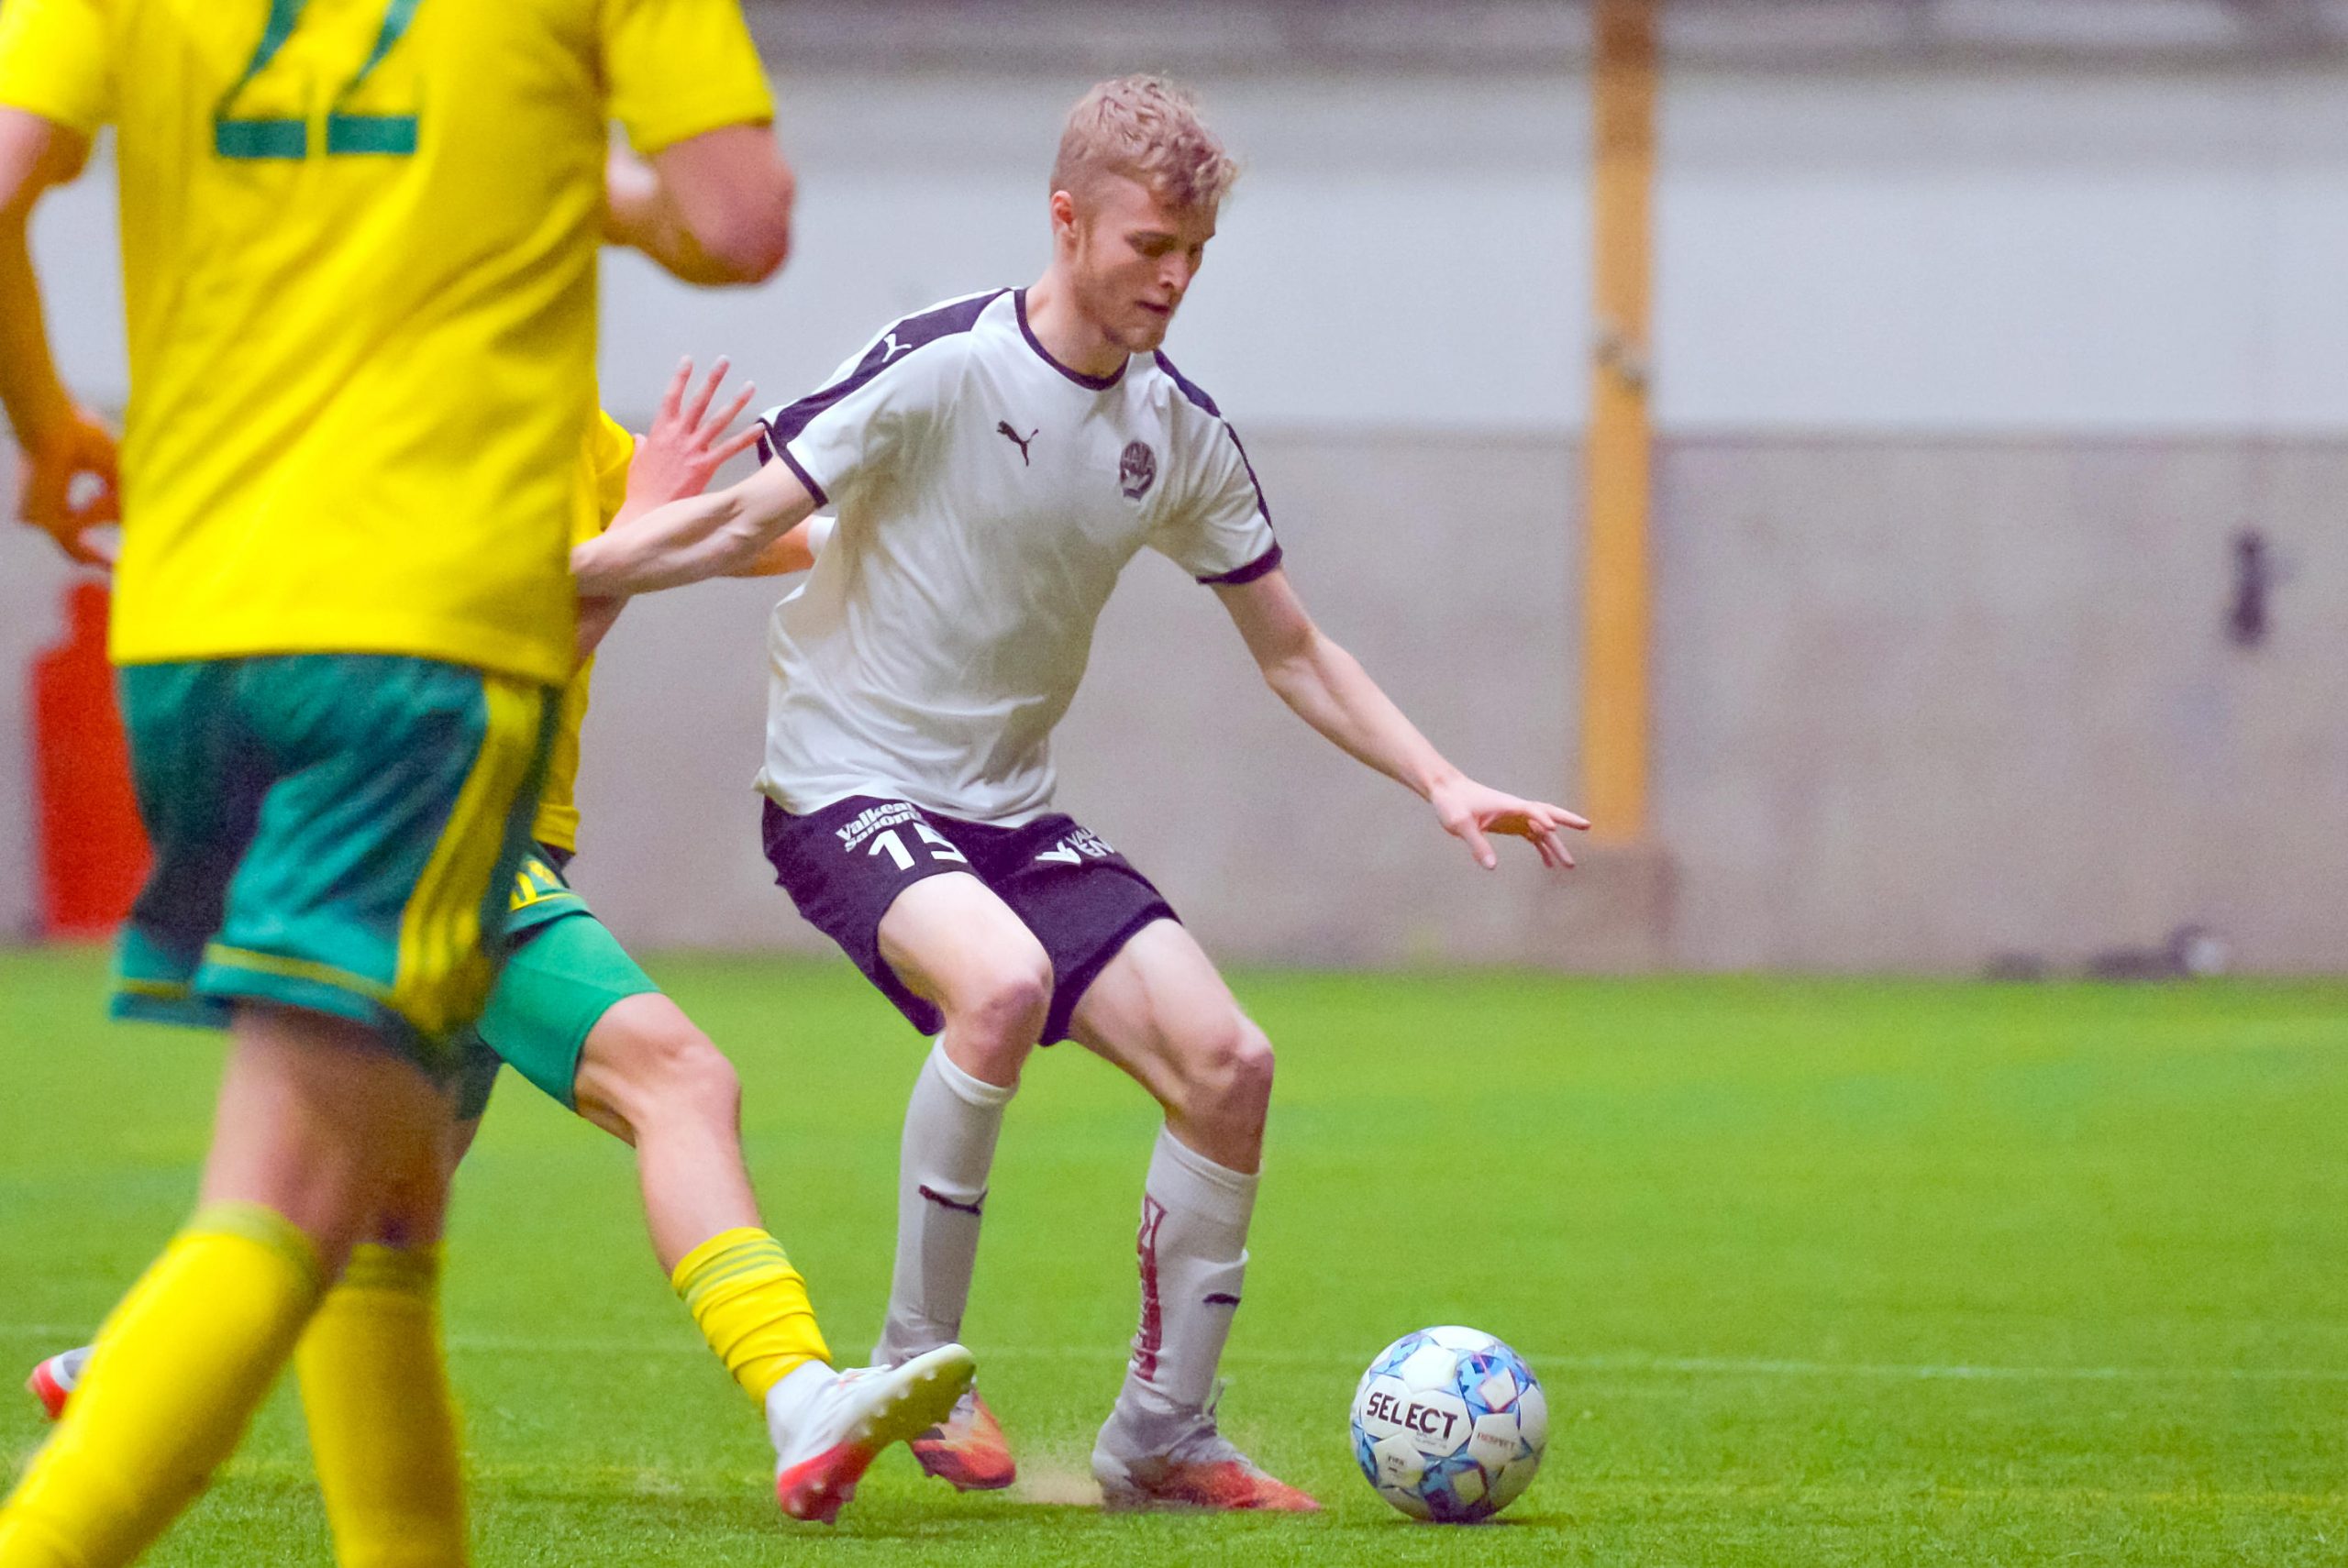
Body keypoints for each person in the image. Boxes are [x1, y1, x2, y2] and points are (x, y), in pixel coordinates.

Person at [572, 73, 1588, 1512]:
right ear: (1066, 220)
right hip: (845, 784)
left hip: (1010, 813)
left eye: (1194, 254)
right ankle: (917, 1361)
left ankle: (1164, 1434)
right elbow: (743, 517)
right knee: (1001, 982)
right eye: (1147, 246)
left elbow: (1293, 648)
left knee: (1230, 1063)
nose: (1172, 278)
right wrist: (554, 578)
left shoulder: (1176, 434)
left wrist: (1441, 777)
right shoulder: (939, 367)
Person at [0, 1, 794, 1560]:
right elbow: (737, 221)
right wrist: (595, 186)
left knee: (383, 1202)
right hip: (410, 644)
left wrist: (42, 421)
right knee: (297, 1193)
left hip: (191, 629)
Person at [21, 363, 972, 1526]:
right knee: (678, 1077)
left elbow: (725, 530)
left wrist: (895, 533)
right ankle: (798, 1392)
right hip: (428, 832)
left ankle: (123, 1375)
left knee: (350, 1198)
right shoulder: (401, 428)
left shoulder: (564, 413)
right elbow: (511, 657)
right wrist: (636, 533)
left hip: (497, 838)